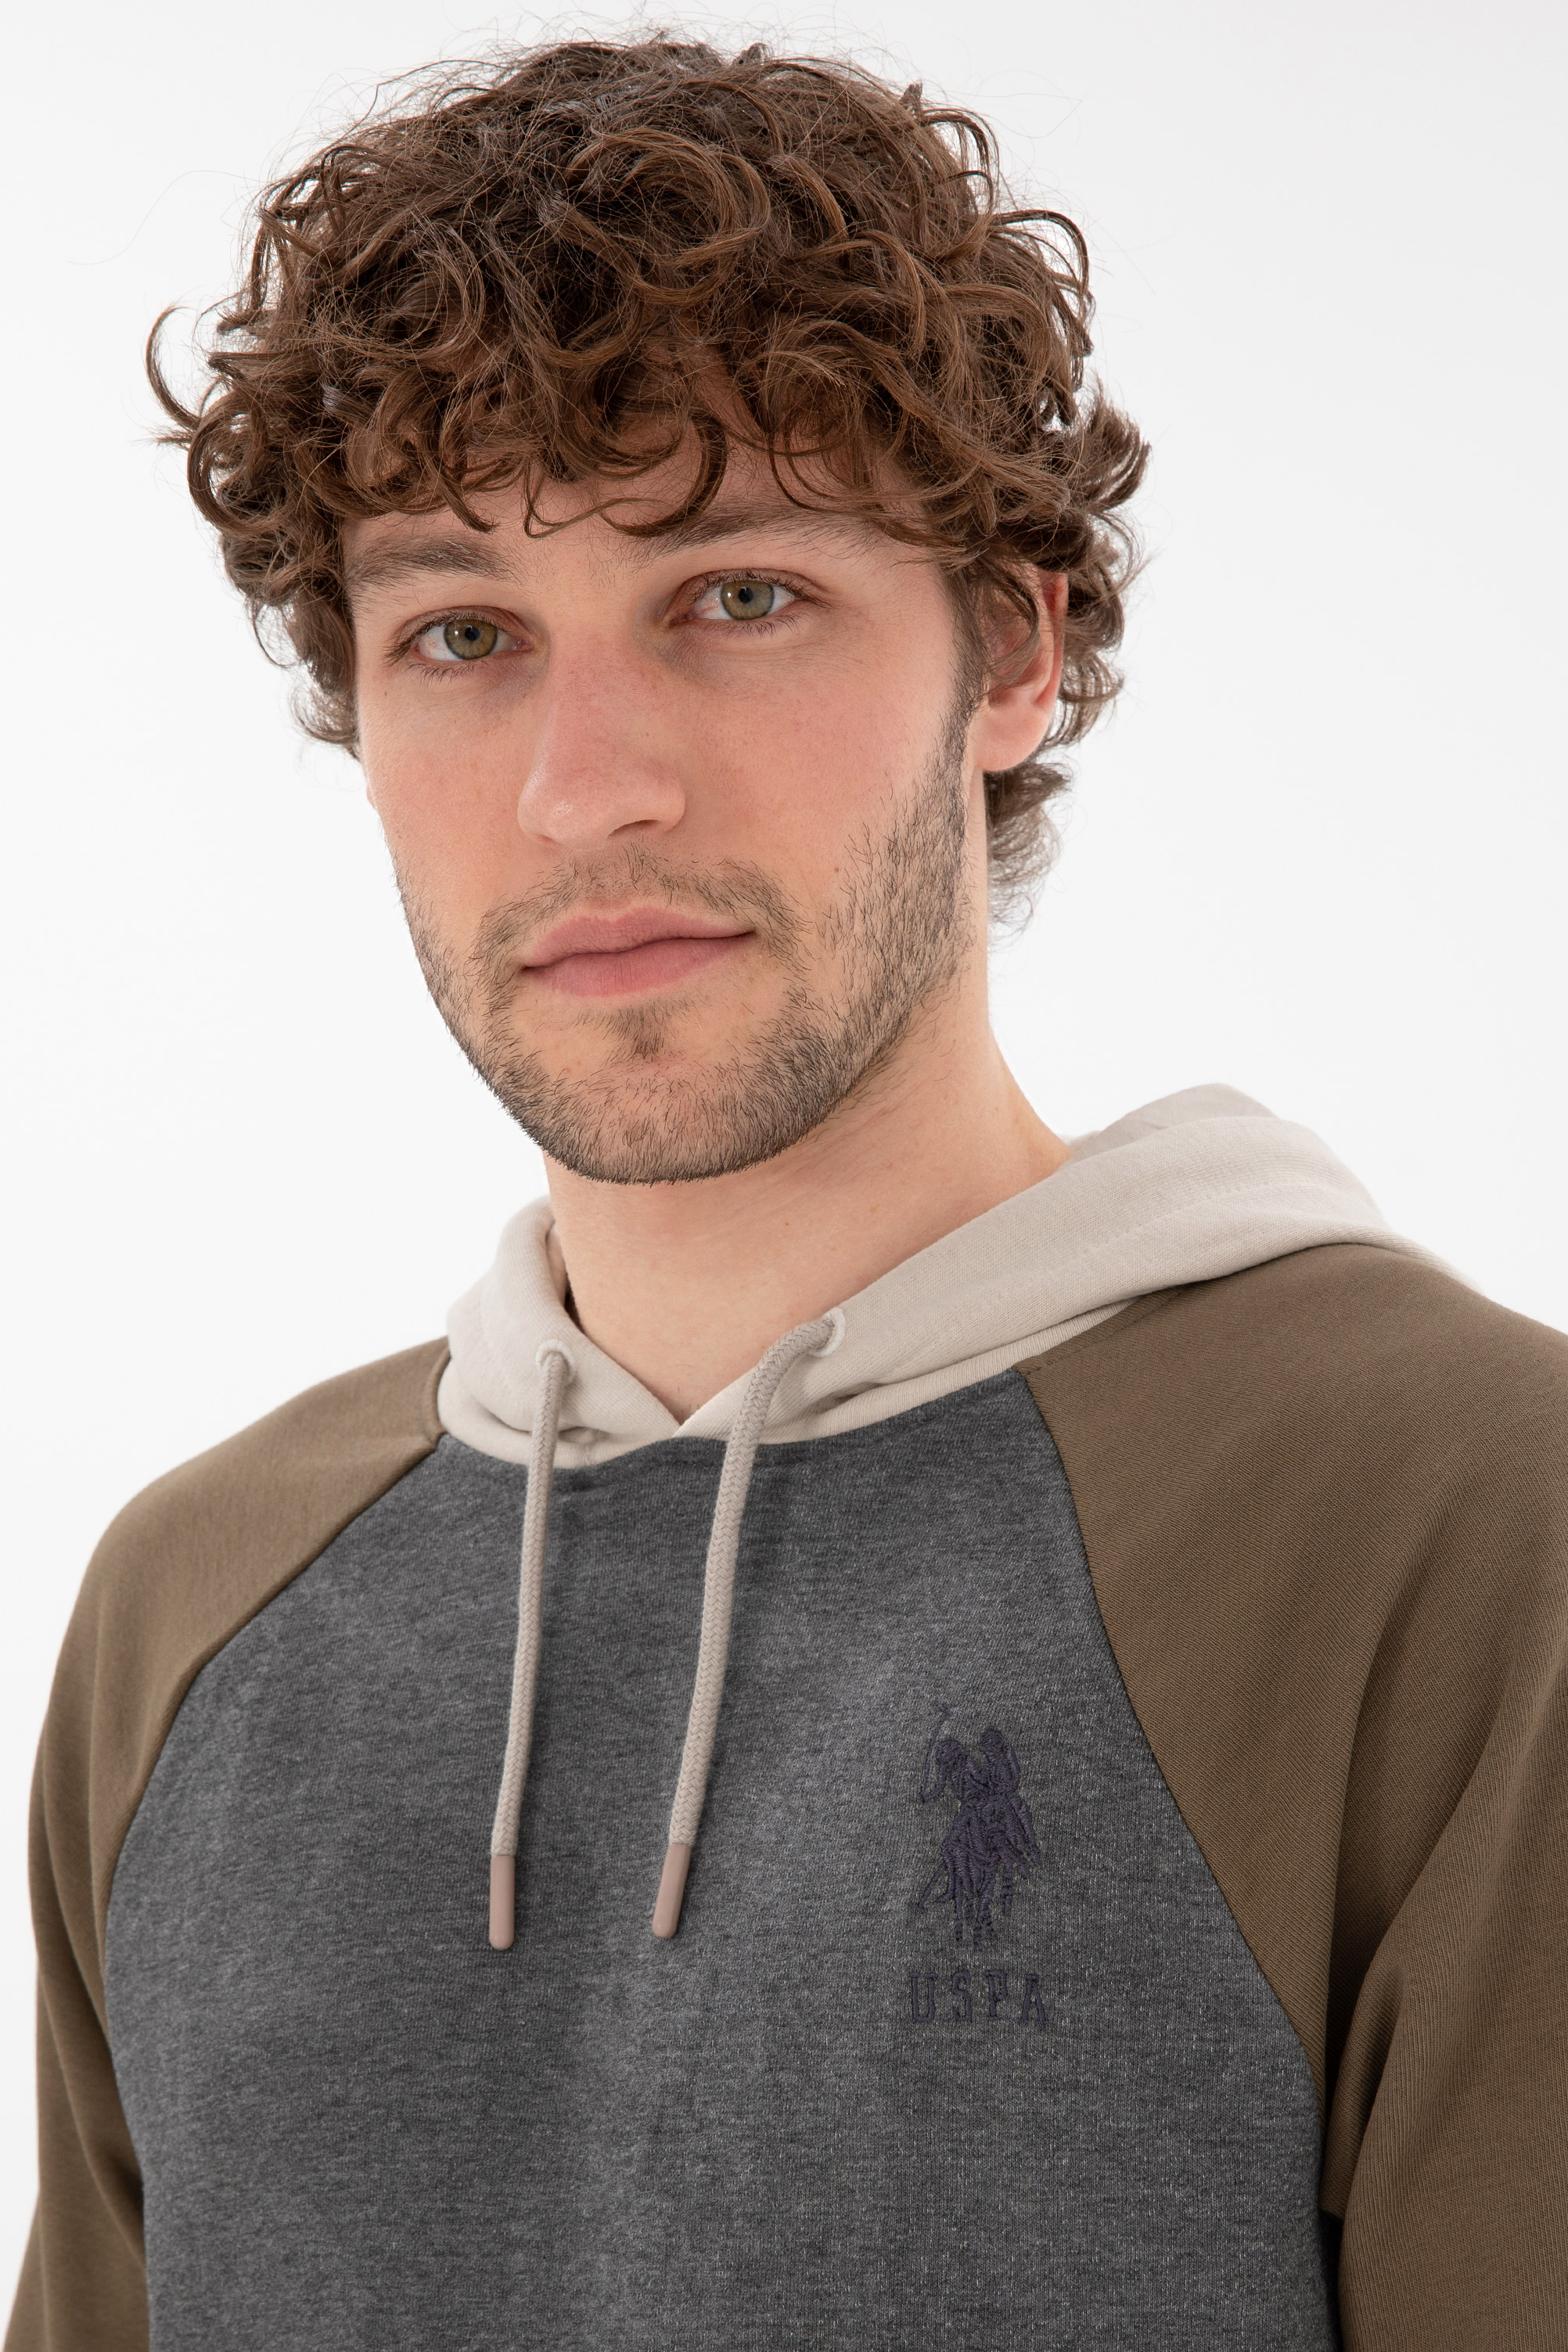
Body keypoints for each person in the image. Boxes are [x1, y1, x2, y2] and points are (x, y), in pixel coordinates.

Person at [8, 35, 1566, 2352]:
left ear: (1013, 652)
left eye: (734, 595)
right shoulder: (193, 1610)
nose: (585, 788)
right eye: (459, 635)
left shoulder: (1464, 1519)